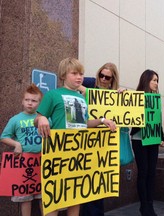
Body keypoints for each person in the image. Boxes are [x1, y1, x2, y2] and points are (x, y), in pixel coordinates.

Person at [34, 57, 116, 216]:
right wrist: (42, 118)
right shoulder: (53, 95)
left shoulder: (82, 97)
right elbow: (37, 118)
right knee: (54, 199)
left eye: (81, 74)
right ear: (64, 75)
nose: (79, 77)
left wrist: (102, 120)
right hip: (58, 156)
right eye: (75, 73)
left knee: (75, 197)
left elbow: (82, 123)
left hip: (78, 156)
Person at [78, 62, 127, 216]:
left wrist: (123, 94)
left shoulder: (115, 94)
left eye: (108, 77)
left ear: (113, 79)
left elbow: (127, 116)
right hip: (88, 140)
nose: (104, 79)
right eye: (101, 75)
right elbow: (72, 80)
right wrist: (85, 91)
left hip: (105, 144)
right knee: (87, 182)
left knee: (100, 183)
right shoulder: (89, 84)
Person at [0, 84, 43, 216]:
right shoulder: (16, 119)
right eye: (27, 100)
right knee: (25, 198)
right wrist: (16, 144)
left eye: (34, 100)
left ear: (39, 103)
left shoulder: (43, 119)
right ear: (22, 101)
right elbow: (4, 137)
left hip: (41, 163)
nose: (30, 103)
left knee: (44, 196)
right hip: (24, 164)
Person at [130, 69, 164, 216]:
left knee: (151, 172)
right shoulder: (137, 98)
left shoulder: (156, 98)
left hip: (153, 139)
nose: (156, 83)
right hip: (139, 139)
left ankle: (150, 204)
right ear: (146, 81)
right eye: (153, 80)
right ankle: (144, 206)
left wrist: (161, 137)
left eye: (157, 80)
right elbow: (131, 118)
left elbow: (157, 120)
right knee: (143, 172)